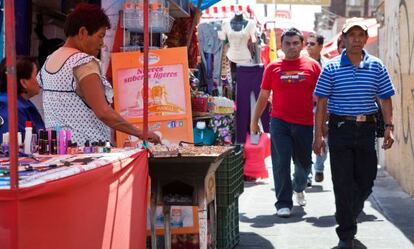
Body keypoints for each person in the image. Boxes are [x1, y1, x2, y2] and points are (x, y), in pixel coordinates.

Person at [313, 18, 395, 248]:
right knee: (342, 183)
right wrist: (317, 136)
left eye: (361, 35)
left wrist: (389, 128)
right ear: (344, 39)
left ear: (366, 39)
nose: (356, 39)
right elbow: (321, 103)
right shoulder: (331, 67)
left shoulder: (377, 66)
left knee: (367, 180)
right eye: (352, 35)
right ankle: (346, 234)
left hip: (367, 130)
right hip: (340, 130)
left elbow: (385, 98)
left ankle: (351, 210)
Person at [37, 3, 160, 145]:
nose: (102, 43)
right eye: (100, 36)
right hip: (85, 151)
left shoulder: (49, 61)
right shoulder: (83, 63)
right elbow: (103, 112)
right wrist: (139, 132)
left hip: (58, 149)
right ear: (83, 32)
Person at [251, 27, 321, 218]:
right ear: (281, 45)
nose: (291, 47)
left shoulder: (313, 67)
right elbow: (264, 96)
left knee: (304, 164)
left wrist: (323, 128)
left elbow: (323, 99)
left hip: (305, 123)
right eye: (287, 43)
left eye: (295, 43)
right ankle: (283, 202)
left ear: (302, 44)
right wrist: (254, 119)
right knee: (280, 161)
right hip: (279, 122)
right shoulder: (272, 68)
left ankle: (299, 187)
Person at [0, 56, 45, 144]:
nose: (39, 80)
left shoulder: (22, 103)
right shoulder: (10, 108)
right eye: (36, 75)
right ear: (24, 82)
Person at [306, 32, 327, 185]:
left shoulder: (328, 65)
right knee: (305, 140)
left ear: (320, 46)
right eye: (307, 43)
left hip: (324, 109)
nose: (308, 46)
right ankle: (306, 172)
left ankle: (319, 167)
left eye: (312, 44)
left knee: (323, 139)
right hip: (306, 108)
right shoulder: (302, 63)